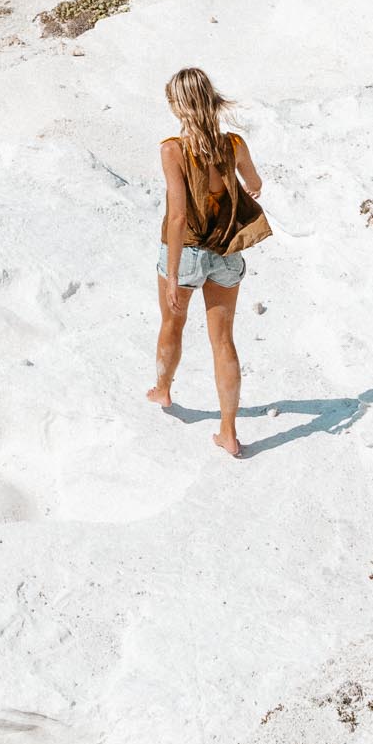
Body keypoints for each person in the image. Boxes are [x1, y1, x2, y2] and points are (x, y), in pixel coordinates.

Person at [147, 67, 263, 457]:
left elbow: (178, 216)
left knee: (172, 322)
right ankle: (228, 433)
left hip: (188, 252)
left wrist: (173, 274)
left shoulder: (172, 150)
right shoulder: (234, 144)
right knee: (223, 341)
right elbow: (255, 183)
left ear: (179, 107)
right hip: (226, 251)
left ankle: (163, 389)